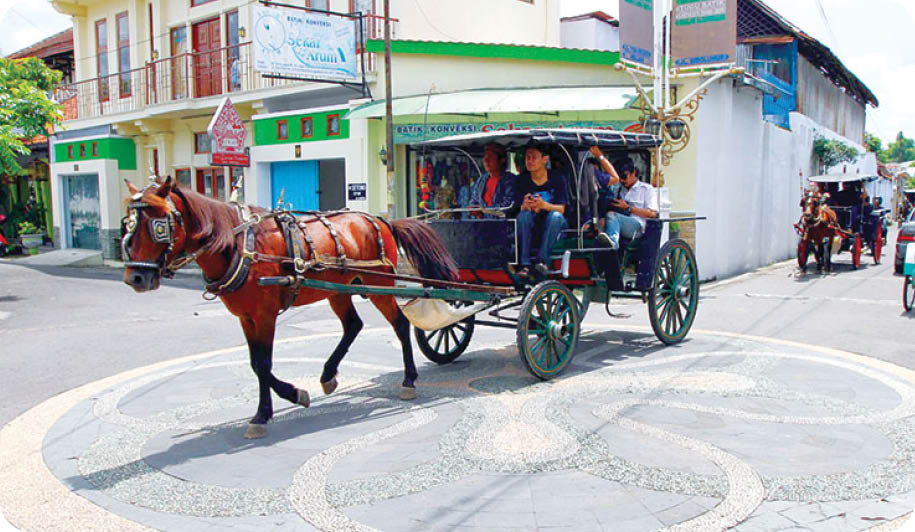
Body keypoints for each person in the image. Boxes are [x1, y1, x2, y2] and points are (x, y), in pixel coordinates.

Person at [514, 144, 569, 278]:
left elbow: (561, 209)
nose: (530, 161)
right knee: (523, 215)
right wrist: (524, 206)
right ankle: (525, 264)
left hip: (554, 227)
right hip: (532, 224)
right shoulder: (521, 180)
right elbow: (516, 207)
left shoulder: (557, 178)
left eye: (534, 158)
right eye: (528, 157)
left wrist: (544, 205)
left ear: (545, 159)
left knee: (555, 216)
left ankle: (542, 261)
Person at [468, 143, 516, 218]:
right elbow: (474, 201)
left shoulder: (510, 180)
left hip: (503, 226)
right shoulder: (481, 180)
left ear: (502, 160)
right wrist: (474, 209)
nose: (486, 160)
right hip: (481, 226)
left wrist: (484, 211)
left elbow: (508, 206)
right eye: (485, 157)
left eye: (490, 157)